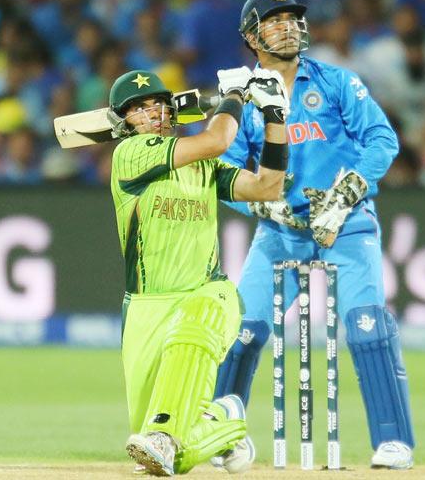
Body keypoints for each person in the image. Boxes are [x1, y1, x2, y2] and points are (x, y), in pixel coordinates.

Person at [213, 0, 416, 469]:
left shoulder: (336, 82)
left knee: (367, 328)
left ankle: (394, 441)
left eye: (292, 19)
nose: (287, 27)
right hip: (281, 231)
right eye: (274, 21)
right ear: (251, 36)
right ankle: (223, 436)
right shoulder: (242, 99)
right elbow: (223, 172)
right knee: (242, 330)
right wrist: (263, 210)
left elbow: (382, 138)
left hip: (345, 224)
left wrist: (348, 190)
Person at [108, 67, 290, 476]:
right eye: (139, 108)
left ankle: (168, 435)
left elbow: (268, 187)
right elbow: (219, 138)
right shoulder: (131, 155)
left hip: (208, 294)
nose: (153, 113)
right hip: (145, 307)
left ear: (172, 112)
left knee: (162, 431)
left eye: (158, 104)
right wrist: (237, 95)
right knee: (165, 442)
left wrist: (277, 118)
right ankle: (224, 423)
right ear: (125, 122)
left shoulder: (205, 167)